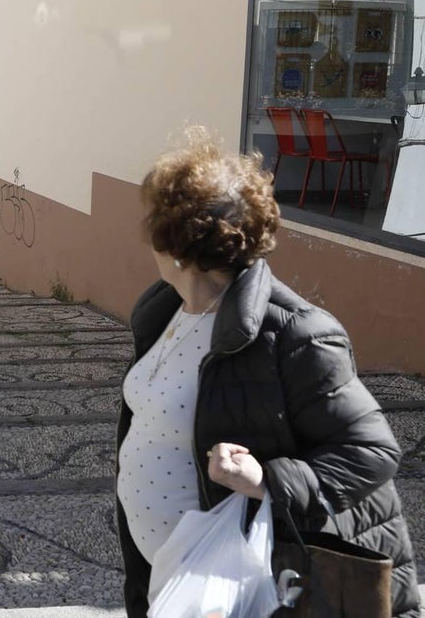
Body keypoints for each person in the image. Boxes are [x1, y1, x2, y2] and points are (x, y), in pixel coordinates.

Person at [116, 128, 418, 617]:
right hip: (174, 576)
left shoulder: (297, 333)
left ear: (177, 244)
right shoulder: (165, 312)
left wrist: (267, 480)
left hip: (245, 583)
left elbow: (373, 452)